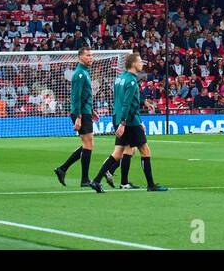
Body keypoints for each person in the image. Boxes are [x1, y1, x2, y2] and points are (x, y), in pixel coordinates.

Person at [90, 52, 167, 192]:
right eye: (140, 62)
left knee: (119, 152)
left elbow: (125, 98)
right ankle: (151, 185)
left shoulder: (120, 78)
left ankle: (96, 180)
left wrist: (143, 102)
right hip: (129, 121)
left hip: (117, 116)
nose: (142, 64)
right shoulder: (132, 81)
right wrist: (125, 123)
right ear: (133, 64)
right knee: (144, 150)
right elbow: (127, 103)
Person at [54, 46, 96, 187]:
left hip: (85, 111)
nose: (91, 58)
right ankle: (84, 179)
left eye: (91, 55)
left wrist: (91, 109)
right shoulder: (79, 74)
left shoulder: (84, 72)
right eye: (88, 55)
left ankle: (63, 169)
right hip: (81, 113)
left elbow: (85, 95)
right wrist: (78, 117)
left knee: (88, 144)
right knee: (88, 144)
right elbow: (75, 97)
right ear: (80, 57)